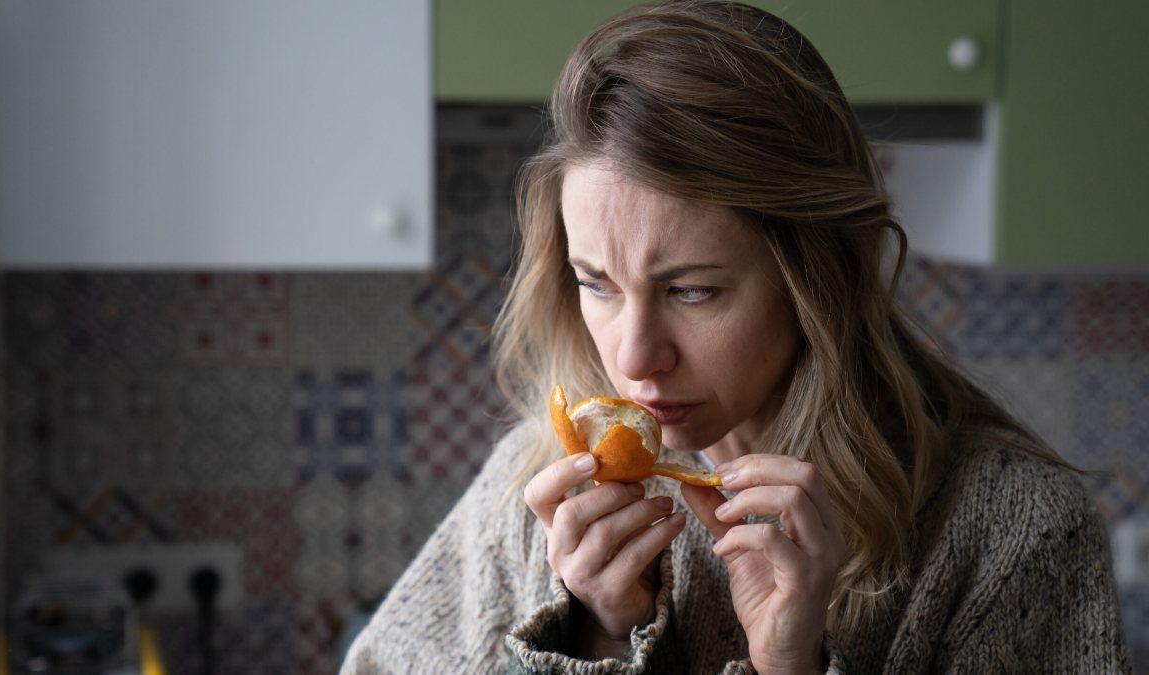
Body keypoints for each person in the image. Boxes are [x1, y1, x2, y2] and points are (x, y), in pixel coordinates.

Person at [342, 1, 1132, 672]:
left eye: (692, 290)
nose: (634, 356)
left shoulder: (1014, 529)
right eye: (596, 283)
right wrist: (594, 635)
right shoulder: (532, 487)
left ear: (816, 279)